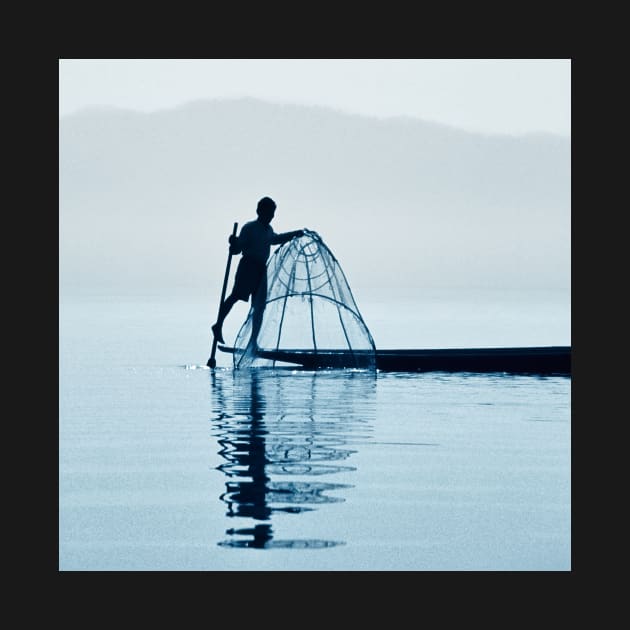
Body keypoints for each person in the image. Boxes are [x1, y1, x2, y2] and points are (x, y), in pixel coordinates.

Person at [211, 196, 304, 348]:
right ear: (259, 211)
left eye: (273, 213)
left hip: (261, 269)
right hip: (248, 266)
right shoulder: (250, 228)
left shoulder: (268, 230)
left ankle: (253, 341)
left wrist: (295, 233)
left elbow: (275, 239)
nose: (271, 216)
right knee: (235, 296)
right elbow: (237, 249)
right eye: (269, 213)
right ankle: (218, 325)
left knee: (259, 306)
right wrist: (233, 242)